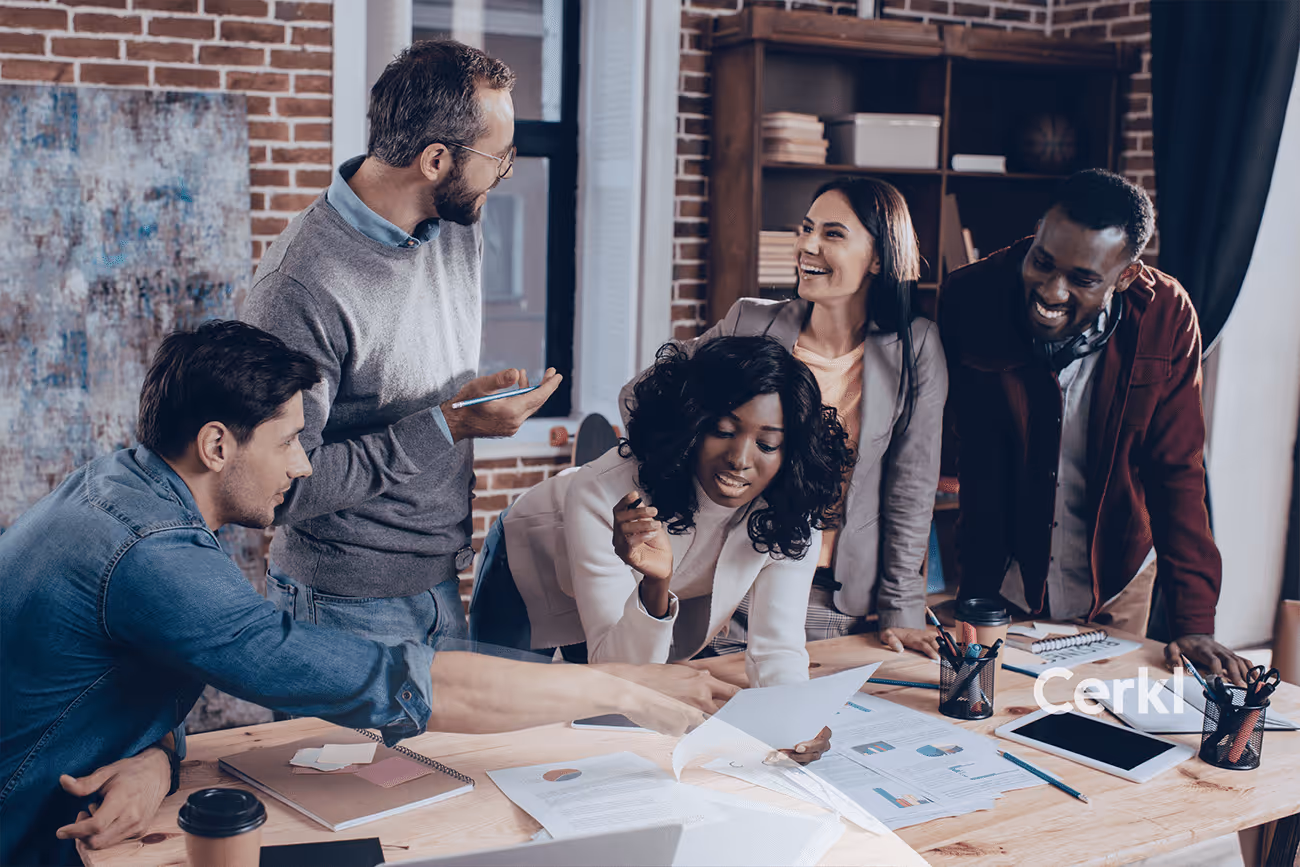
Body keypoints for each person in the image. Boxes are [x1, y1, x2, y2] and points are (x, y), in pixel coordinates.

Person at [0, 322, 736, 867]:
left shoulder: (121, 487)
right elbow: (395, 680)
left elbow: (107, 674)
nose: (305, 466)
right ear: (218, 445)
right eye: (289, 441)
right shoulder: (153, 554)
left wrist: (156, 754)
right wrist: (624, 688)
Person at [241, 39, 559, 648]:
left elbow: (412, 395)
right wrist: (451, 426)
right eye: (499, 157)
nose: (503, 172)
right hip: (342, 607)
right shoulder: (300, 286)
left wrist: (463, 408)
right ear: (436, 159)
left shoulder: (454, 229)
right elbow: (274, 488)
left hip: (441, 585)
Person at [470, 337, 855, 760]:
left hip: (623, 595)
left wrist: (791, 719)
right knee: (498, 715)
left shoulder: (791, 509)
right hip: (528, 562)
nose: (740, 460)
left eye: (767, 445)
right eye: (722, 431)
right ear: (692, 424)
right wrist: (655, 584)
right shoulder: (603, 491)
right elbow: (614, 672)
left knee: (606, 725)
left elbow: (777, 647)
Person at [938, 168, 1252, 684]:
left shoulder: (1167, 316)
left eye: (1083, 279)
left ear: (1125, 276)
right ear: (1038, 233)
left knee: (1101, 728)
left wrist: (1194, 622)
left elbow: (1177, 471)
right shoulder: (970, 298)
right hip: (1004, 577)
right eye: (1042, 261)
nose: (1051, 290)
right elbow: (973, 453)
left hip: (1118, 578)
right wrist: (973, 588)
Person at [620, 177, 948, 658]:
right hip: (723, 582)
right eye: (806, 228)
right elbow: (641, 397)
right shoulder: (750, 322)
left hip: (829, 599)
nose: (807, 246)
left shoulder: (915, 347)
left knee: (803, 721)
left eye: (833, 234)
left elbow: (911, 490)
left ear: (879, 257)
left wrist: (902, 608)